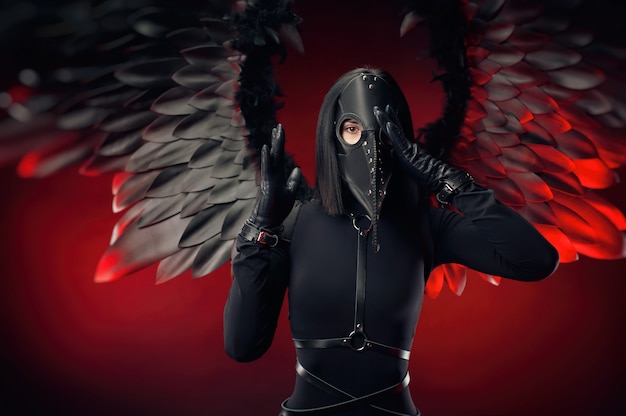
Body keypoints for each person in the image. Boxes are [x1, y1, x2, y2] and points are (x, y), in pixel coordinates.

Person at [223, 68, 559, 416]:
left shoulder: (427, 224)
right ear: (332, 134)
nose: (369, 145)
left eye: (384, 130)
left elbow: (536, 260)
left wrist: (448, 181)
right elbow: (242, 345)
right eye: (352, 129)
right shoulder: (294, 223)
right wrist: (260, 230)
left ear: (400, 136)